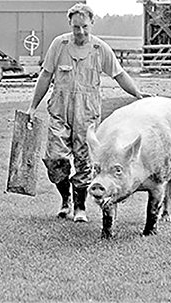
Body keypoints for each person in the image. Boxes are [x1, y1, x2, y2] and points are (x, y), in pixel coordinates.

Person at [26, 3, 149, 222]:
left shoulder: (100, 49)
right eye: (76, 27)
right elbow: (45, 76)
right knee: (56, 160)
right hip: (59, 113)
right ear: (70, 25)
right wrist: (33, 106)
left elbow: (119, 75)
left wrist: (137, 93)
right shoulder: (59, 45)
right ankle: (66, 200)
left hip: (87, 116)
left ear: (91, 23)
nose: (80, 32)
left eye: (84, 26)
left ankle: (80, 208)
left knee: (84, 162)